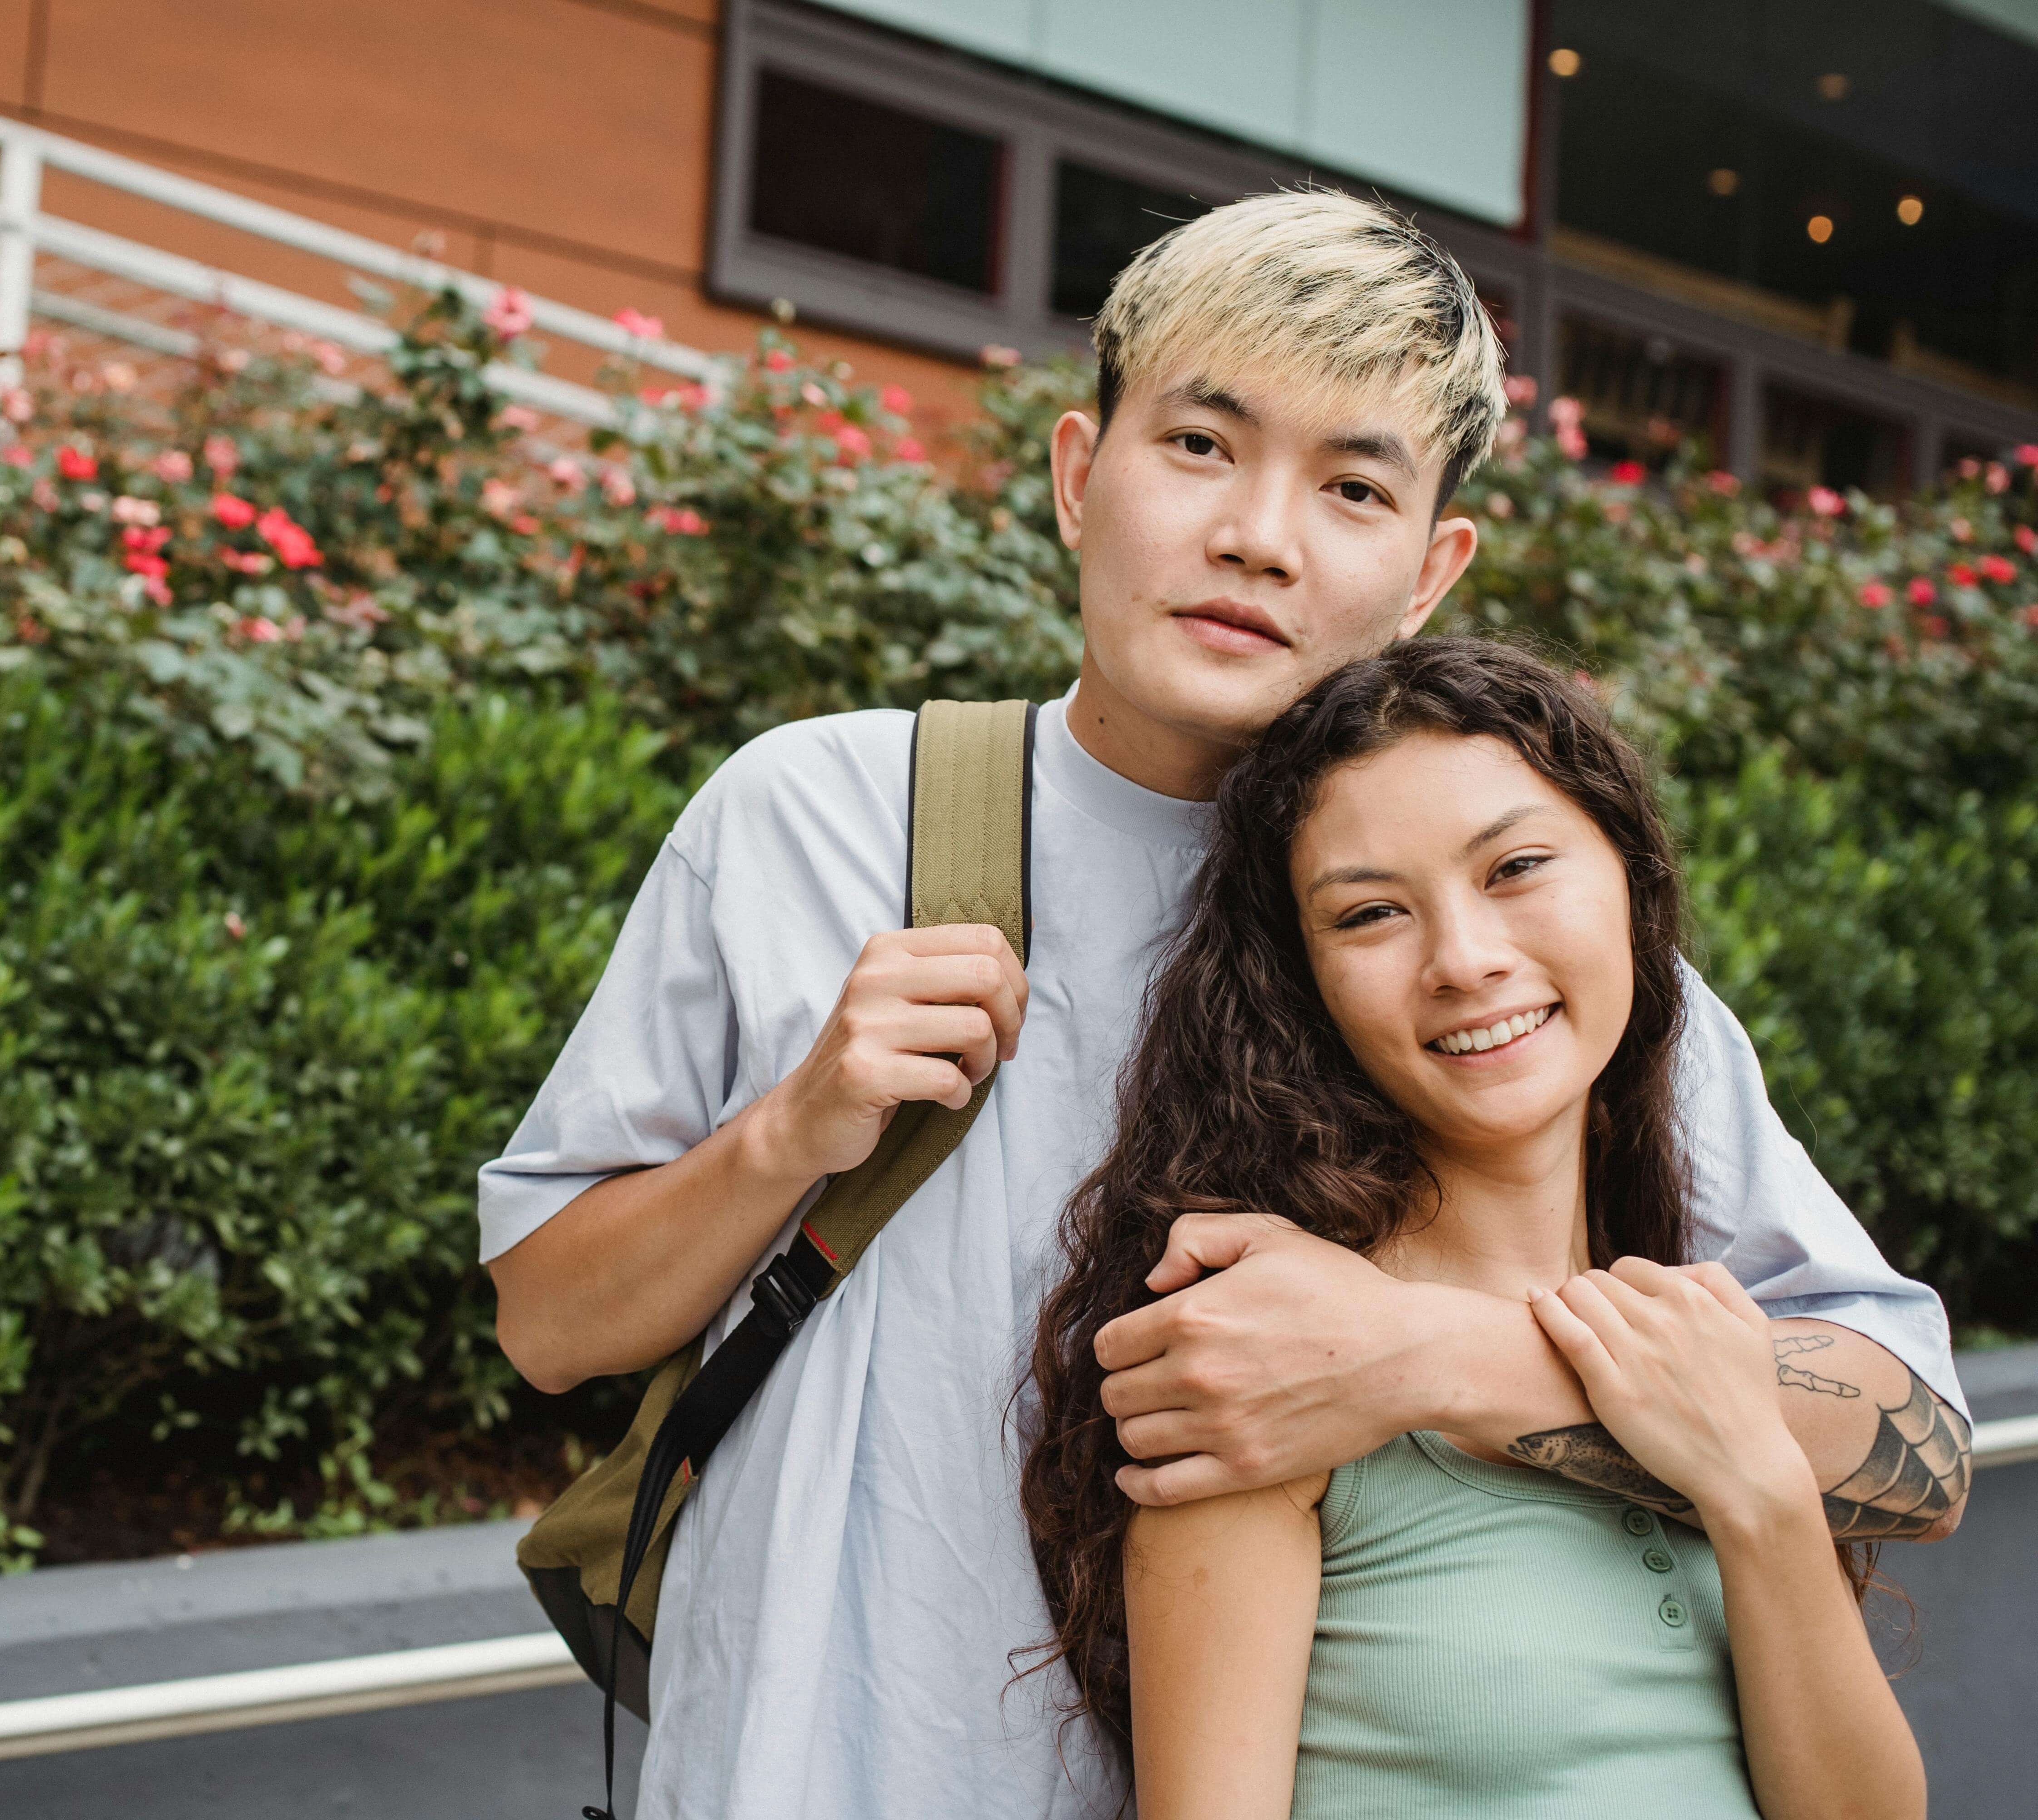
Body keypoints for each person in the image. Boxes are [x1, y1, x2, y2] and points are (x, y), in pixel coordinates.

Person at [478, 190, 1968, 1820]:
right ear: (1075, 473)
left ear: (1429, 569)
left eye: (1352, 486)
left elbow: (1917, 1431)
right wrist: (790, 1131)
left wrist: (1420, 1355)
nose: (1262, 534)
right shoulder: (820, 817)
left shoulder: (1506, 967)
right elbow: (551, 1324)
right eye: (1200, 444)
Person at [1024, 637, 1929, 1818]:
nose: (1464, 959)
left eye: (1516, 868)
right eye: (1370, 915)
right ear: (1305, 987)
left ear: (1630, 877)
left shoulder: (1692, 1333)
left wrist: (1754, 1485)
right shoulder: (1264, 1378)